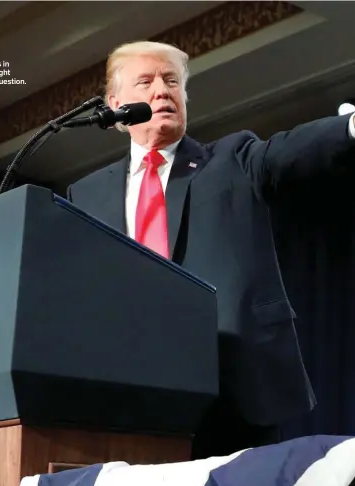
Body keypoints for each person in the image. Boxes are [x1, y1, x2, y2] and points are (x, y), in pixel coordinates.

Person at [66, 41, 355, 459]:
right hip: (127, 392)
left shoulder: (232, 159)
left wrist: (348, 129)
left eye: (171, 82)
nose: (161, 91)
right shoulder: (85, 193)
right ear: (115, 106)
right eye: (145, 82)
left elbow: (290, 151)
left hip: (231, 390)